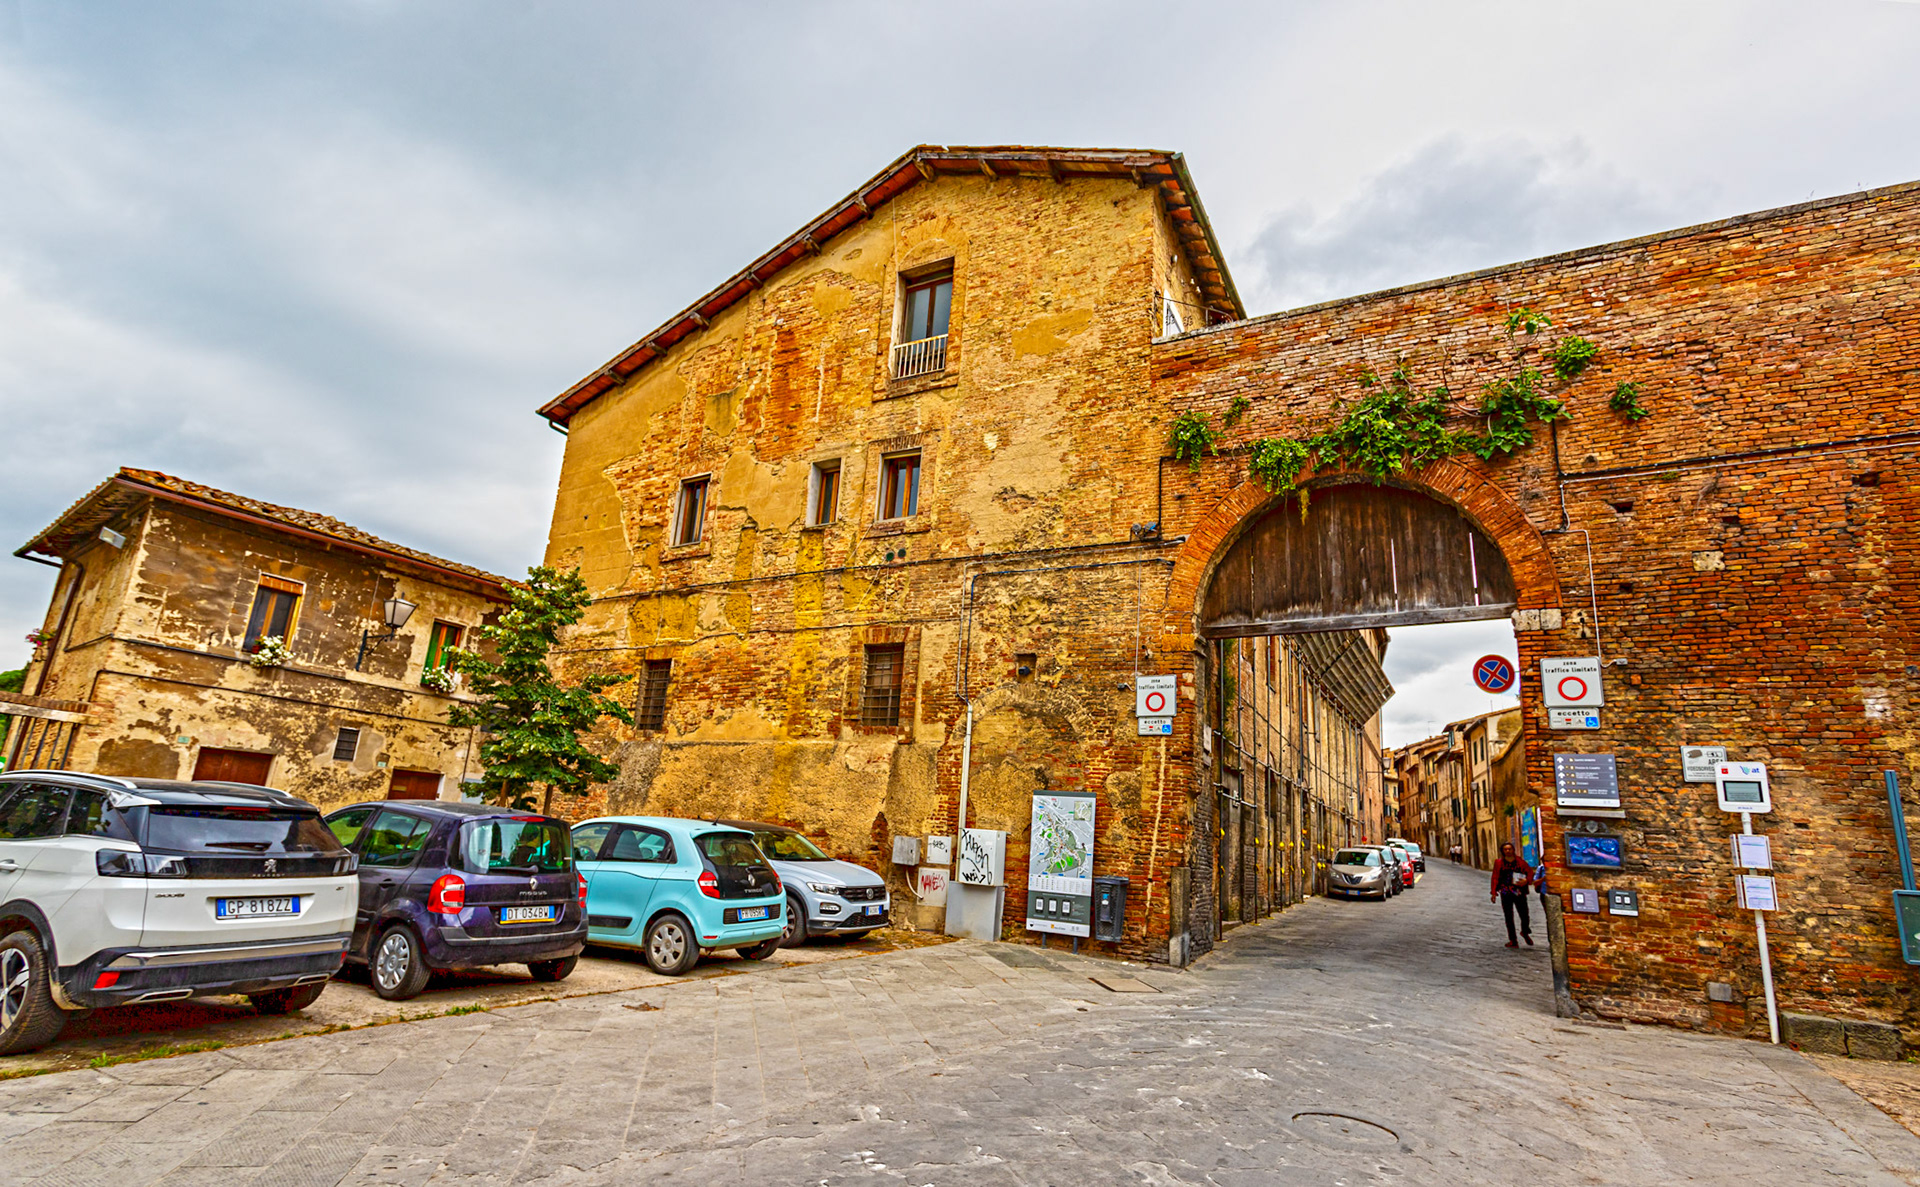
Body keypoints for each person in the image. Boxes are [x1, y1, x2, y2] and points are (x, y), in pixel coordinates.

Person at [1490, 842, 1534, 948]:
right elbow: (1495, 877)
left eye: (1509, 849)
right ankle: (1513, 940)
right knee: (1509, 917)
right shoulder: (1499, 862)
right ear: (1503, 851)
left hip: (1519, 891)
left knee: (1524, 915)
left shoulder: (1520, 862)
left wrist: (1526, 881)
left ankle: (1525, 931)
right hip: (1505, 892)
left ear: (1513, 850)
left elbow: (1530, 873)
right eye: (1505, 849)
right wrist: (1493, 892)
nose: (1508, 851)